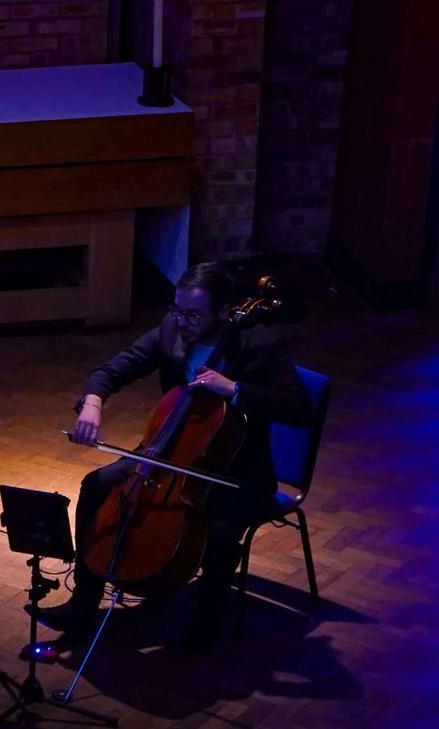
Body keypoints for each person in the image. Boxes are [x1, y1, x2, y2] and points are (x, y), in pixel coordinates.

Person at [39, 261, 314, 652]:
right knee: (97, 484)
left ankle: (207, 624)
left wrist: (235, 389)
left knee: (220, 531)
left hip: (236, 471)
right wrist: (93, 402)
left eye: (194, 314)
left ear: (223, 311)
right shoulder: (171, 330)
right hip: (168, 451)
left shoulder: (260, 344)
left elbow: (300, 409)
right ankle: (83, 604)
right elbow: (113, 369)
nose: (182, 321)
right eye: (177, 310)